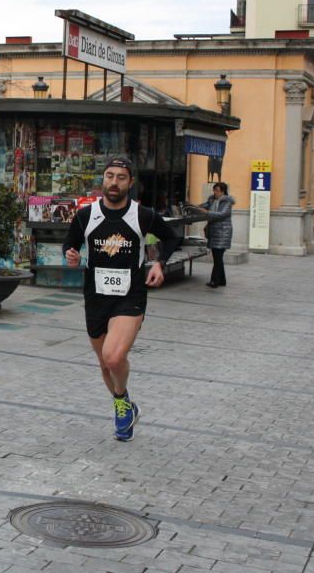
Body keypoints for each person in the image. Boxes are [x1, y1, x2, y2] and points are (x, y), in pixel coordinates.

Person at [63, 157, 181, 442]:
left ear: (131, 182)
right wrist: (71, 254)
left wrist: (159, 263)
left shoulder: (142, 215)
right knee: (105, 364)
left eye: (121, 177)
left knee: (114, 357)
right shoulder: (85, 215)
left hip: (130, 295)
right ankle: (125, 403)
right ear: (103, 179)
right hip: (95, 296)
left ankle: (120, 403)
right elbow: (70, 242)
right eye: (109, 176)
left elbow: (172, 237)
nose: (114, 182)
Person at [198, 182, 235, 287]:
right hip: (215, 232)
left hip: (223, 233)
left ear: (223, 191)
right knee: (218, 257)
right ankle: (222, 280)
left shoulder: (227, 201)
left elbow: (222, 214)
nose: (215, 193)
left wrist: (206, 212)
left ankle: (215, 281)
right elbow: (204, 206)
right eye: (214, 190)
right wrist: (194, 207)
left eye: (217, 191)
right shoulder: (212, 200)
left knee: (217, 257)